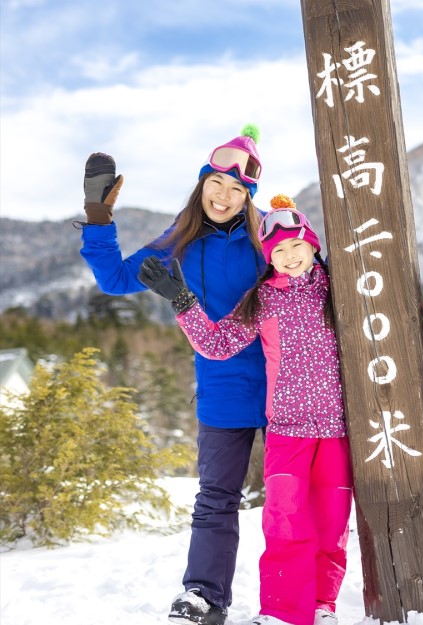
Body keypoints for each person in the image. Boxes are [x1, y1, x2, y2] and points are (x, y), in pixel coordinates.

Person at [78, 125, 269, 625]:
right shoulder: (180, 240)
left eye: (237, 189)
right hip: (222, 385)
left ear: (249, 195)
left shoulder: (269, 233)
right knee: (216, 500)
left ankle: (305, 596)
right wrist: (99, 218)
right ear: (202, 182)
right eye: (217, 184)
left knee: (297, 498)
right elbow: (116, 279)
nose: (224, 197)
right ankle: (204, 596)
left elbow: (312, 272)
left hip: (287, 383)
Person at [138, 194, 353, 625]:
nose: (290, 257)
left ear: (313, 245)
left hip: (336, 430)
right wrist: (182, 300)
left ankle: (321, 606)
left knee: (331, 524)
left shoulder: (337, 290)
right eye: (278, 251)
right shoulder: (262, 300)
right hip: (287, 432)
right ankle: (281, 611)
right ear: (268, 257)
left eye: (297, 246)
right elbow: (216, 345)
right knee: (285, 522)